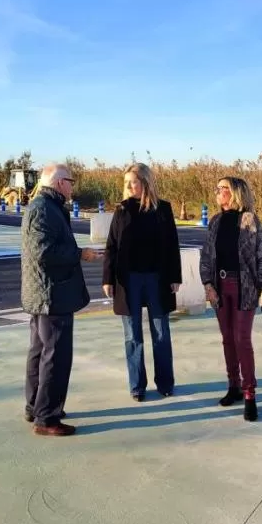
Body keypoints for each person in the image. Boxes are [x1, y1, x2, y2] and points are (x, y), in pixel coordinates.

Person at [21, 163, 102, 436]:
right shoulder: (44, 209)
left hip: (45, 293)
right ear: (59, 183)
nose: (72, 187)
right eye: (71, 181)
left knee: (40, 351)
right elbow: (43, 252)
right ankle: (47, 418)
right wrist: (81, 254)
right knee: (55, 355)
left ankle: (36, 406)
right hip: (52, 294)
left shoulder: (45, 206)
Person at [102, 162, 182, 401]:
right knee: (132, 335)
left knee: (161, 333)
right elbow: (112, 246)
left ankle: (165, 382)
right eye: (126, 182)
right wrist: (107, 278)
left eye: (133, 182)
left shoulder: (163, 209)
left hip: (157, 279)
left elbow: (172, 245)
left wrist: (175, 277)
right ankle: (137, 385)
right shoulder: (122, 210)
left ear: (145, 183)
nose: (129, 186)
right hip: (128, 282)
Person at [200, 176, 262, 421]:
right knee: (227, 339)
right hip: (220, 286)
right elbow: (207, 255)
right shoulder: (215, 221)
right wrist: (208, 284)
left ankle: (250, 392)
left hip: (245, 287)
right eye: (217, 188)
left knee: (242, 339)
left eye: (223, 188)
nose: (217, 191)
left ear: (235, 193)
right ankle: (233, 385)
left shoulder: (250, 220)